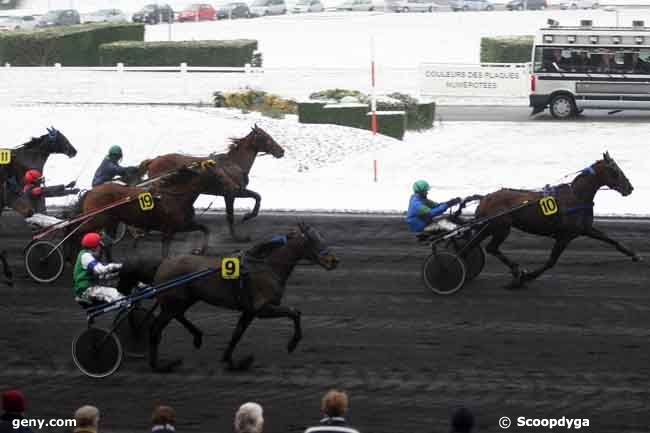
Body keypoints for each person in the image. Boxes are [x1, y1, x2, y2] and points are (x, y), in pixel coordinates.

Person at [73, 232, 124, 305]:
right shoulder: (86, 256)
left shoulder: (86, 255)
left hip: (88, 288)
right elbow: (101, 270)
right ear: (94, 247)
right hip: (86, 290)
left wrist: (117, 274)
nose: (101, 249)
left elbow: (100, 276)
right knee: (114, 293)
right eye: (100, 246)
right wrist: (120, 266)